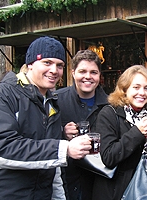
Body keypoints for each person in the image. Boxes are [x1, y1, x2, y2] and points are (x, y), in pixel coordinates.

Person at [0, 36, 92, 200]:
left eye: (60, 65)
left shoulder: (51, 103)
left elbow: (53, 164)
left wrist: (58, 197)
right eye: (47, 62)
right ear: (30, 64)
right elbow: (1, 148)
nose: (54, 70)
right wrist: (64, 148)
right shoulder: (0, 95)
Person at [92, 65, 147, 200]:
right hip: (116, 191)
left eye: (146, 88)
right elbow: (109, 157)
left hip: (146, 190)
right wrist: (138, 132)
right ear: (124, 89)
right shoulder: (109, 113)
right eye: (136, 87)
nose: (142, 93)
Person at [56, 49, 108, 200]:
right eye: (82, 71)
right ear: (73, 73)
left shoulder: (111, 104)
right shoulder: (57, 100)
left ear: (99, 76)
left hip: (99, 182)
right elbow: (42, 134)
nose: (88, 77)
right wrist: (62, 132)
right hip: (68, 181)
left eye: (93, 72)